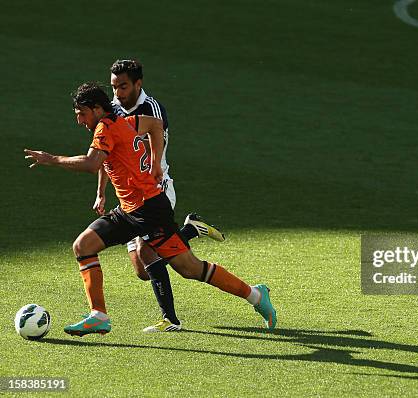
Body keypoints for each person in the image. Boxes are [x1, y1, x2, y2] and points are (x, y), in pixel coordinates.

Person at [24, 82, 277, 336]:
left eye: (81, 113)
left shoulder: (105, 128)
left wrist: (51, 159)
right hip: (129, 210)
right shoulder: (127, 121)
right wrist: (155, 164)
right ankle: (98, 315)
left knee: (189, 268)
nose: (79, 120)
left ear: (97, 109)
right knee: (83, 246)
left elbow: (92, 163)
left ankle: (256, 295)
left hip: (150, 209)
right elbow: (155, 125)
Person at [95, 59, 223, 333]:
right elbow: (108, 154)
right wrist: (101, 192)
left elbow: (157, 142)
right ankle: (190, 229)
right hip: (128, 197)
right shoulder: (113, 110)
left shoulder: (151, 109)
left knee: (146, 250)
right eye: (114, 86)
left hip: (156, 190)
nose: (117, 92)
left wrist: (153, 167)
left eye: (123, 86)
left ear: (138, 84)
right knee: (142, 270)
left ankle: (171, 320)